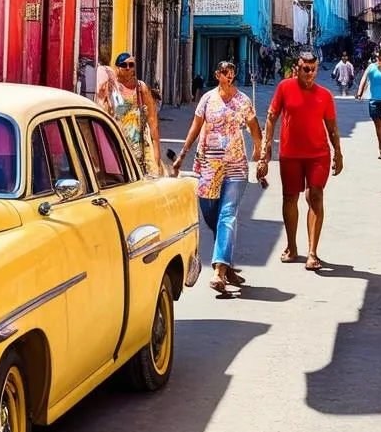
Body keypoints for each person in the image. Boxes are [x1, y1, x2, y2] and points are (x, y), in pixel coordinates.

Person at [171, 60, 265, 293]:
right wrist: (182, 155)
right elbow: (195, 127)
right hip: (208, 167)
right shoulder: (207, 99)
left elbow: (255, 129)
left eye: (232, 72)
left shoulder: (243, 101)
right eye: (225, 72)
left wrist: (259, 154)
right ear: (217, 74)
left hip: (235, 167)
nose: (229, 76)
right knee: (212, 216)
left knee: (226, 215)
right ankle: (226, 263)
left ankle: (219, 272)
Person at [256, 50, 342, 270]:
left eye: (313, 69)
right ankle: (292, 247)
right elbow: (272, 116)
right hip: (290, 154)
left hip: (318, 155)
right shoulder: (285, 87)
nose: (310, 73)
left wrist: (338, 153)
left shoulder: (325, 95)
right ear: (297, 67)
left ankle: (312, 252)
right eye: (306, 69)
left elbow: (332, 127)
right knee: (290, 197)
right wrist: (267, 146)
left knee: (315, 196)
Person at [96, 52, 163, 175]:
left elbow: (152, 121)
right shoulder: (110, 87)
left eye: (131, 65)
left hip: (138, 143)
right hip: (116, 140)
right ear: (117, 67)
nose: (128, 68)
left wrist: (157, 156)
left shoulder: (140, 87)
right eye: (124, 65)